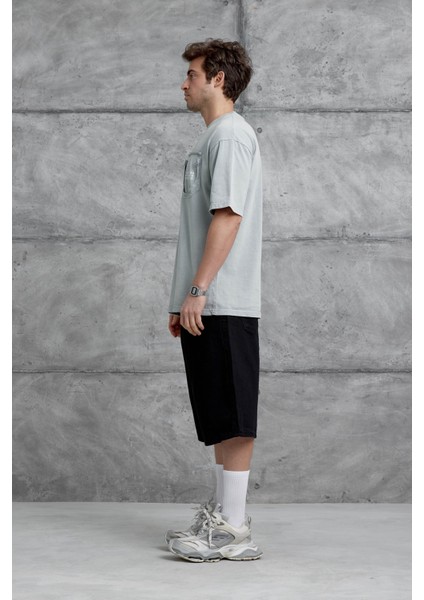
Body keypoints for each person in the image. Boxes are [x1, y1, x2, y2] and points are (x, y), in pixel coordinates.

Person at [166, 39, 263, 562]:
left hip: (223, 299)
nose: (184, 83)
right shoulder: (213, 138)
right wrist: (182, 297)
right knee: (220, 413)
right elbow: (201, 224)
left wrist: (199, 290)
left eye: (193, 74)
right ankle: (225, 517)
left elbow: (228, 217)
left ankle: (235, 528)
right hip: (206, 301)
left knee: (234, 415)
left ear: (218, 79)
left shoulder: (230, 135)